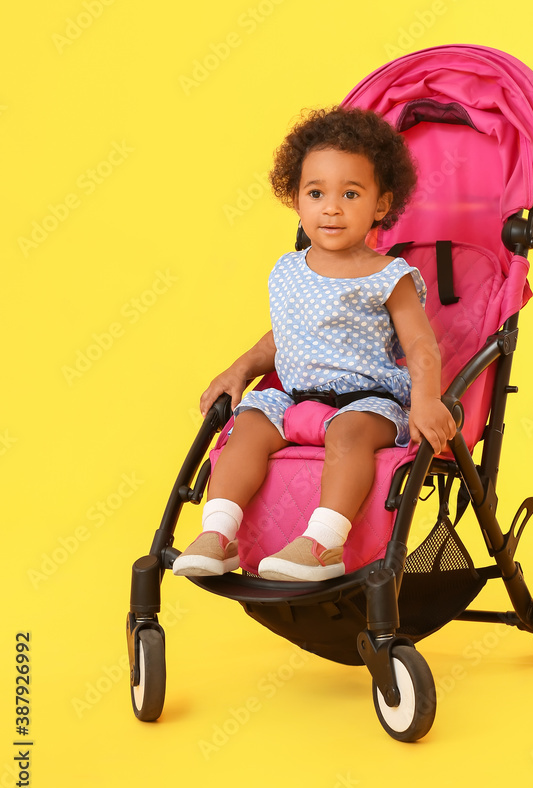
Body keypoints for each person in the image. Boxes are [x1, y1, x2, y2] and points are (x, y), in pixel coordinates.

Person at [173, 106, 456, 582]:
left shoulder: (388, 276)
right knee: (248, 427)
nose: (331, 207)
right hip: (295, 398)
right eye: (316, 193)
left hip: (366, 402)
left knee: (349, 436)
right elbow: (281, 337)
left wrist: (426, 400)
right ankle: (218, 534)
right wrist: (239, 369)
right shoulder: (287, 269)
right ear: (297, 201)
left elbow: (422, 346)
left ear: (380, 206)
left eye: (350, 194)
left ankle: (322, 543)